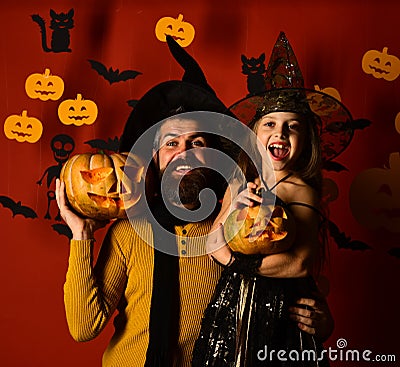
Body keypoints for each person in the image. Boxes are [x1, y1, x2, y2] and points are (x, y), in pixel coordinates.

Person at [56, 36, 334, 367]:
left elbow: (273, 289)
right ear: (154, 157)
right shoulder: (129, 232)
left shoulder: (234, 226)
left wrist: (319, 320)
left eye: (197, 141)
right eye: (172, 143)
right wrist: (82, 236)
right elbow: (84, 328)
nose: (184, 154)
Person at [191, 32, 355, 366]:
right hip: (233, 307)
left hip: (280, 312)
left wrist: (238, 263)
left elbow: (299, 264)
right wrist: (236, 207)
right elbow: (213, 241)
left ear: (304, 139)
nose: (280, 133)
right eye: (270, 124)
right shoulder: (238, 183)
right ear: (255, 135)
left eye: (291, 127)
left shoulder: (299, 190)